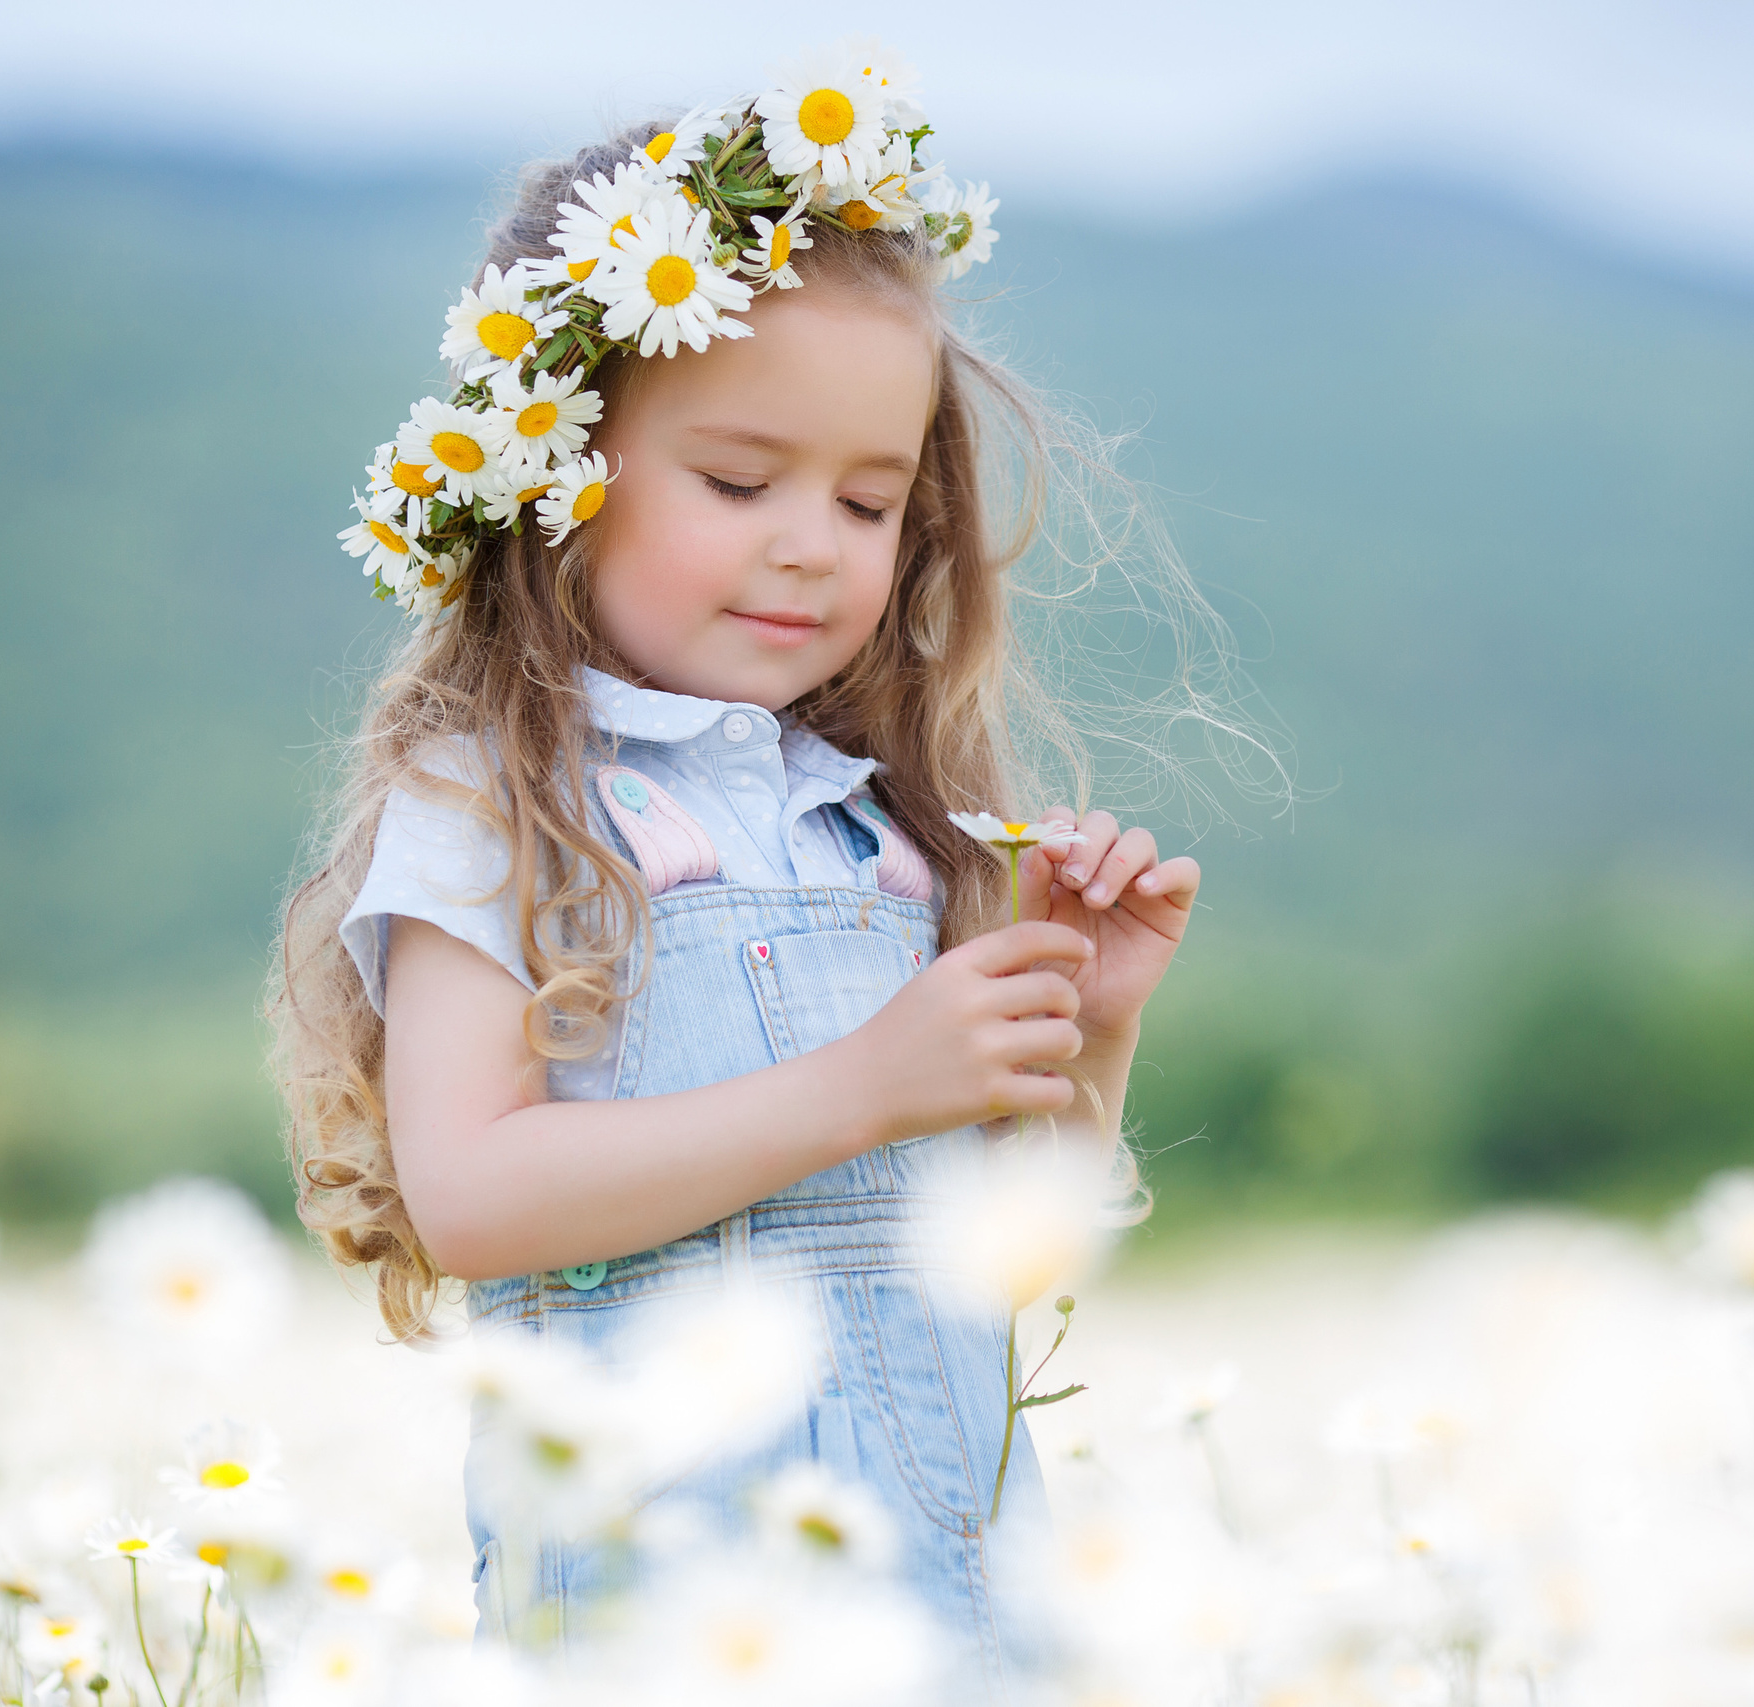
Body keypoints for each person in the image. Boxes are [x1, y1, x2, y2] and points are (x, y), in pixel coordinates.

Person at [267, 46, 1256, 1695]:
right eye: (739, 482)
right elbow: (476, 1196)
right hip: (677, 1611)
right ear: (555, 473)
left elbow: (1008, 1246)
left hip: (956, 1600)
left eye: (871, 503)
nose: (813, 541)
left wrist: (1090, 1034)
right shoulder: (499, 803)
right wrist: (865, 1082)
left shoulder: (881, 829)